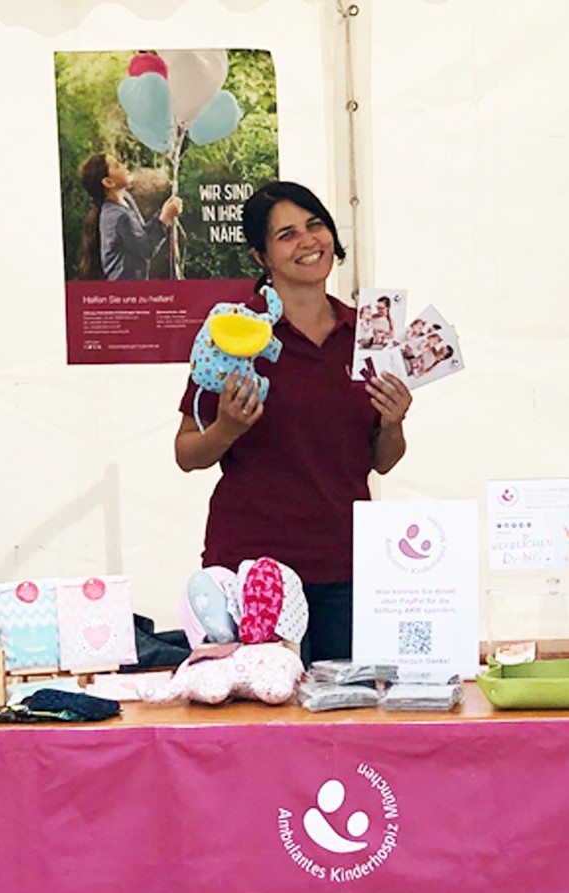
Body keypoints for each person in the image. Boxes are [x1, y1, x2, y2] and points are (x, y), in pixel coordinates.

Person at [174, 180, 412, 665]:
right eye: (286, 234)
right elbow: (186, 453)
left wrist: (393, 423)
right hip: (253, 572)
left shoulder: (368, 332)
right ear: (260, 256)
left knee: (347, 707)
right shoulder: (234, 331)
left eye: (315, 225)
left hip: (346, 565)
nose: (307, 241)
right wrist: (227, 429)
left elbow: (382, 461)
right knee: (262, 707)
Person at [77, 153, 183, 280]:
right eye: (117, 166)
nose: (124, 166)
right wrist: (165, 217)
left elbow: (142, 234)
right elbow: (146, 249)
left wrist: (163, 213)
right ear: (109, 182)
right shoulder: (119, 217)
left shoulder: (126, 198)